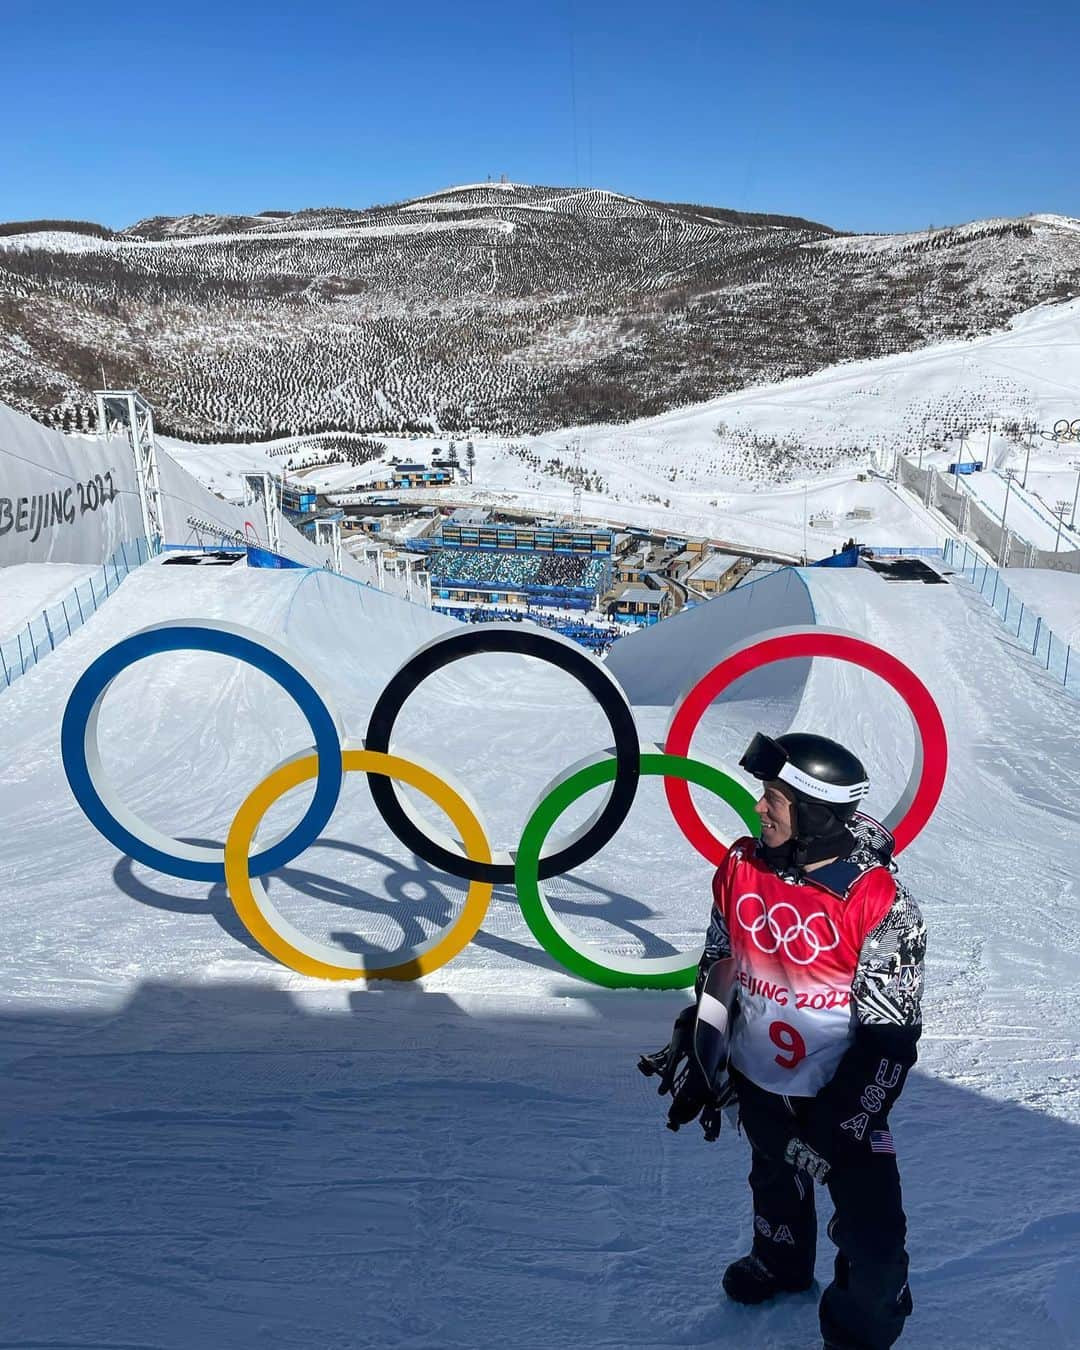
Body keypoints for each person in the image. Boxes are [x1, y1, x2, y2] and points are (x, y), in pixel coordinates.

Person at [641, 732, 926, 1350]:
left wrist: (840, 1122)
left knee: (873, 1235)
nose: (759, 808)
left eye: (774, 797)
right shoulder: (741, 867)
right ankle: (781, 1259)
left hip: (840, 1099)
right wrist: (701, 1041)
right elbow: (720, 960)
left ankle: (864, 1318)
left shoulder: (876, 900)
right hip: (760, 1078)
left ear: (817, 812)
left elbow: (892, 1034)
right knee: (773, 1176)